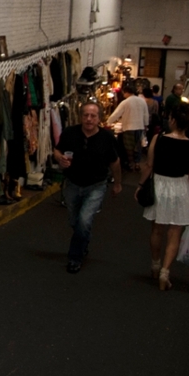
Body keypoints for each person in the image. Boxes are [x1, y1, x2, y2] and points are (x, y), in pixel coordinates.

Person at [135, 103, 189, 291]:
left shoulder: (158, 139)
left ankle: (155, 266)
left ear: (171, 120)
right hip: (181, 188)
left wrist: (140, 185)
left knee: (157, 230)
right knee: (174, 233)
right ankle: (165, 272)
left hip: (160, 186)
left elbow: (149, 165)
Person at [53, 102, 123, 274]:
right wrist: (60, 158)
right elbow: (57, 150)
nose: (89, 119)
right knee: (74, 221)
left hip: (96, 186)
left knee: (84, 220)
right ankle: (83, 242)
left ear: (99, 118)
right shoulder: (70, 133)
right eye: (86, 115)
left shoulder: (106, 138)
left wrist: (118, 183)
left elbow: (115, 162)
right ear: (81, 116)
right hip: (72, 184)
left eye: (93, 116)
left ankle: (74, 258)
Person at [106, 82, 150, 171]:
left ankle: (131, 164)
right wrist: (146, 124)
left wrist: (108, 122)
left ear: (126, 92)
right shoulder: (142, 101)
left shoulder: (125, 102)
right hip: (140, 126)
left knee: (129, 147)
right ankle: (137, 163)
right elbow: (146, 114)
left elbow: (116, 114)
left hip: (129, 127)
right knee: (138, 147)